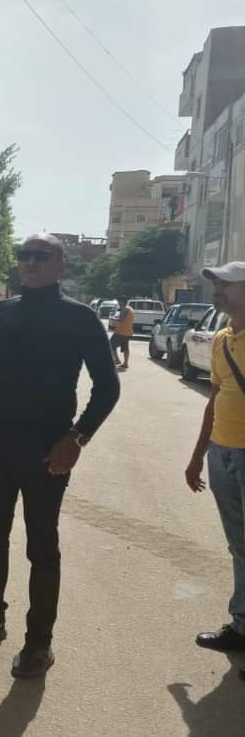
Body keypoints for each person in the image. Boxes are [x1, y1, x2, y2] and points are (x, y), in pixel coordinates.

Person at [0, 234, 120, 678]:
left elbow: (108, 387)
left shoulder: (79, 318)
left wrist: (77, 437)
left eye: (41, 256)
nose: (30, 262)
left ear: (61, 264)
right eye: (24, 255)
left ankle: (39, 643)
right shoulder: (1, 313)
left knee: (42, 546)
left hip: (49, 451)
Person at [185, 262, 245, 653]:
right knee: (239, 544)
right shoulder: (222, 339)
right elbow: (215, 400)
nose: (217, 290)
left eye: (226, 284)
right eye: (216, 284)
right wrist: (198, 456)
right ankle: (242, 625)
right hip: (222, 452)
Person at [110, 295, 134, 371]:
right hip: (128, 332)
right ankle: (125, 363)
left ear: (122, 302)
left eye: (119, 301)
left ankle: (117, 360)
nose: (118, 303)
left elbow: (121, 319)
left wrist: (112, 318)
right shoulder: (130, 309)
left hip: (120, 332)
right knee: (125, 348)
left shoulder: (125, 309)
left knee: (110, 344)